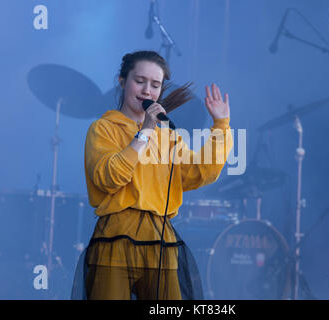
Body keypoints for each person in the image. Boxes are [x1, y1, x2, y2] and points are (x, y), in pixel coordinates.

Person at [71, 50, 233, 300]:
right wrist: (145, 132)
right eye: (140, 81)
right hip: (115, 237)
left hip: (160, 240)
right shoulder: (103, 129)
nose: (147, 90)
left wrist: (221, 124)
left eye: (155, 85)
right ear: (122, 81)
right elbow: (109, 177)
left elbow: (200, 173)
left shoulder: (168, 137)